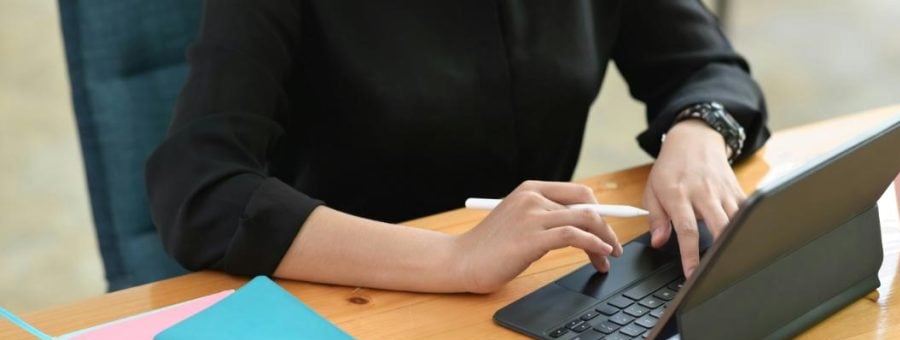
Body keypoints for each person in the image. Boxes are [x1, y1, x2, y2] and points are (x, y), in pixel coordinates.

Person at [145, 0, 770, 294]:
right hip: (351, 300)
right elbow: (199, 186)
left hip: (538, 290)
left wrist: (698, 134)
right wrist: (453, 259)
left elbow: (706, 67)